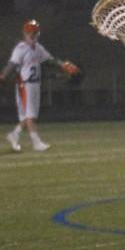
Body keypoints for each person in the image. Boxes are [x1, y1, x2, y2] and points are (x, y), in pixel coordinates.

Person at [1, 20, 79, 152]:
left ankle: (14, 135)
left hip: (35, 84)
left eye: (35, 33)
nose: (33, 36)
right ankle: (36, 143)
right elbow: (12, 64)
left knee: (29, 115)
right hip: (24, 84)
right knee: (30, 115)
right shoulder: (20, 48)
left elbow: (50, 60)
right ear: (25, 33)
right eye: (31, 33)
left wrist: (63, 65)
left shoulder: (38, 47)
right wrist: (3, 75)